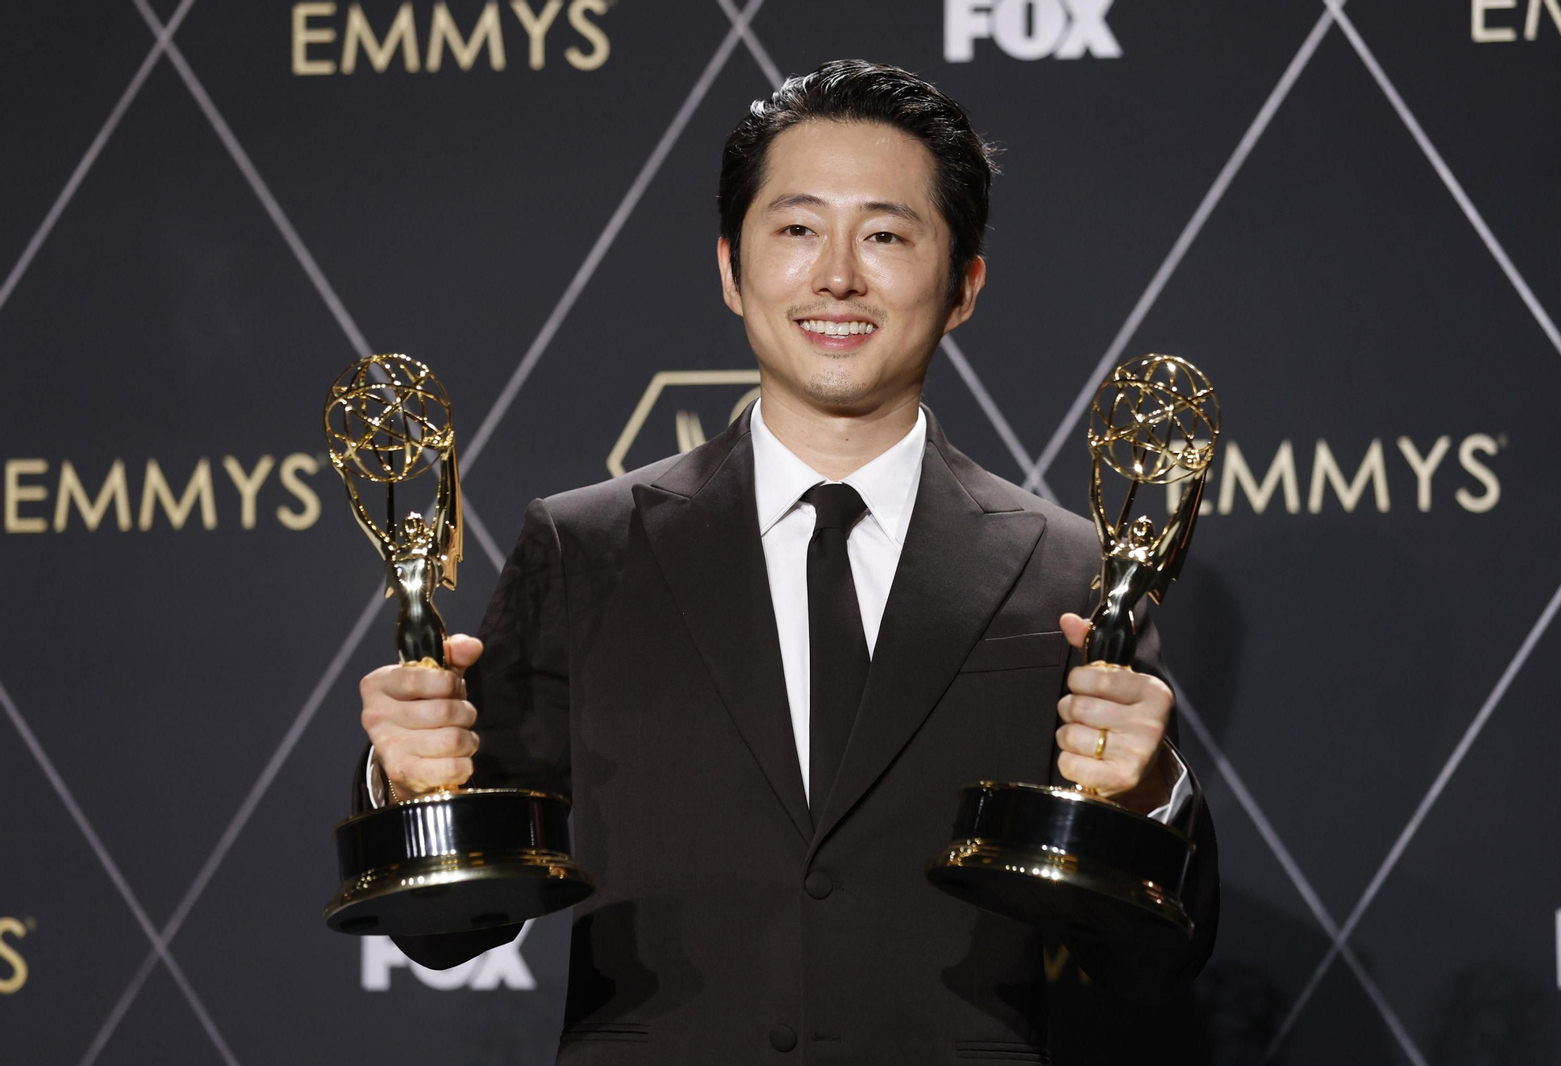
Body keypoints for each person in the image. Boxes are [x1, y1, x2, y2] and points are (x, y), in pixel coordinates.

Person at [354, 59, 1218, 1064]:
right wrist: (413, 789)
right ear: (731, 268)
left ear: (964, 285)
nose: (837, 276)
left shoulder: (1070, 568)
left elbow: (1150, 961)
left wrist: (1149, 798)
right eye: (798, 229)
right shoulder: (584, 546)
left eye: (887, 235)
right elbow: (446, 930)